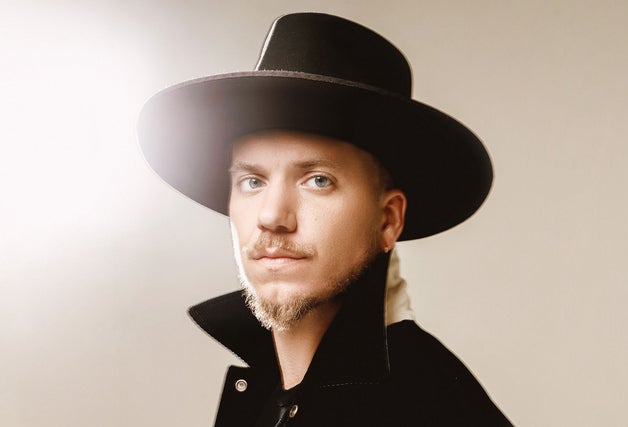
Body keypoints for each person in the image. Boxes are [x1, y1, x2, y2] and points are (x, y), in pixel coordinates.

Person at [137, 12, 512, 427]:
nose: (272, 216)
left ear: (388, 220)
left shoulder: (431, 408)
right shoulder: (266, 396)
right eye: (251, 181)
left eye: (318, 180)